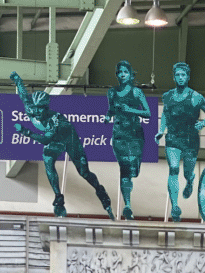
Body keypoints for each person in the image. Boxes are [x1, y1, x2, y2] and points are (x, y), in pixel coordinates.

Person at [12, 72, 114, 219]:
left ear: (46, 107)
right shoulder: (32, 110)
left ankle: (100, 191)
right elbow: (23, 96)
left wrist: (25, 132)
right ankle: (58, 198)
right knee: (47, 158)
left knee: (84, 173)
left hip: (69, 140)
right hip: (54, 140)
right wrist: (18, 80)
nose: (38, 112)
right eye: (36, 108)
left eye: (41, 108)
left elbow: (46, 140)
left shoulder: (56, 120)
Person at [156, 61, 205, 222]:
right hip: (173, 138)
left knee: (187, 171)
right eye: (177, 75)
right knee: (174, 168)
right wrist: (161, 131)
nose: (180, 78)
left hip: (190, 140)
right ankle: (175, 206)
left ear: (188, 77)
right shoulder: (167, 96)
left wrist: (203, 123)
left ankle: (190, 180)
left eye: (183, 75)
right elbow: (165, 115)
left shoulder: (196, 97)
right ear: (174, 77)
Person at [106, 60, 152, 219]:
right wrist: (107, 117)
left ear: (130, 74)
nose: (122, 75)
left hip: (135, 134)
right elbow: (111, 110)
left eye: (125, 72)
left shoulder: (137, 92)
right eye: (119, 72)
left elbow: (147, 113)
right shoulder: (111, 92)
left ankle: (133, 172)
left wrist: (130, 110)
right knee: (124, 169)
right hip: (119, 134)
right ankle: (127, 205)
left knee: (134, 170)